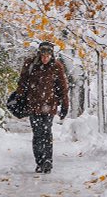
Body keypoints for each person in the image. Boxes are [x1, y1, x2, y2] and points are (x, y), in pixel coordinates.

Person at [17, 41, 69, 174]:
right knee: (37, 133)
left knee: (46, 132)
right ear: (39, 54)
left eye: (48, 55)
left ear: (52, 55)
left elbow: (62, 88)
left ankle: (48, 161)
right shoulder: (30, 64)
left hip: (49, 105)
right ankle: (39, 161)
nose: (45, 58)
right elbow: (22, 83)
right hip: (33, 105)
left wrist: (64, 105)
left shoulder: (57, 67)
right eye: (43, 55)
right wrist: (20, 99)